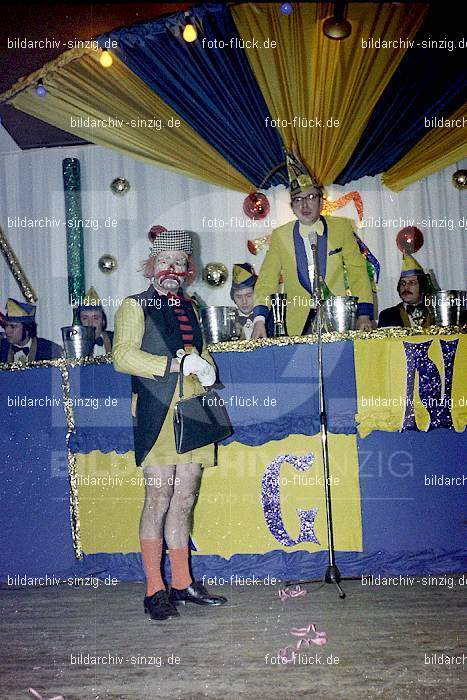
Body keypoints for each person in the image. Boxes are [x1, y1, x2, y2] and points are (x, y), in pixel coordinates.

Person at [113, 226, 227, 621]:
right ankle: (153, 589)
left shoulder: (191, 307)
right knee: (159, 497)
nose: (172, 268)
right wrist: (172, 365)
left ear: (187, 269)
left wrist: (209, 371)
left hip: (194, 409)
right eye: (164, 262)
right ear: (151, 266)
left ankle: (182, 582)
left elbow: (202, 353)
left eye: (179, 262)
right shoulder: (133, 305)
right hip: (158, 410)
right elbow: (123, 356)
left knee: (185, 497)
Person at [252, 151, 373, 338]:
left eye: (310, 197)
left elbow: (357, 270)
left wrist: (364, 314)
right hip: (297, 324)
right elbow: (267, 279)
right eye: (298, 200)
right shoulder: (280, 236)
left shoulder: (341, 228)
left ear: (321, 200)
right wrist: (259, 319)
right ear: (292, 207)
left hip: (338, 321)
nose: (304, 206)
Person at [378, 254, 434, 328]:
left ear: (422, 286)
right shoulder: (387, 315)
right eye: (403, 283)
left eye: (412, 283)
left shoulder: (436, 312)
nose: (406, 287)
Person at [0, 298, 62, 363]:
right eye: (6, 325)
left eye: (13, 327)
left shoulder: (49, 349)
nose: (7, 331)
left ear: (27, 329)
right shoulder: (2, 348)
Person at [77, 287, 113, 355]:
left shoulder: (116, 341)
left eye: (95, 318)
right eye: (85, 318)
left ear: (103, 321)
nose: (90, 323)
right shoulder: (75, 344)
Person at [230, 263, 257, 340]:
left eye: (248, 296)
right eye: (238, 297)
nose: (244, 302)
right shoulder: (228, 322)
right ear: (233, 297)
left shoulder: (267, 318)